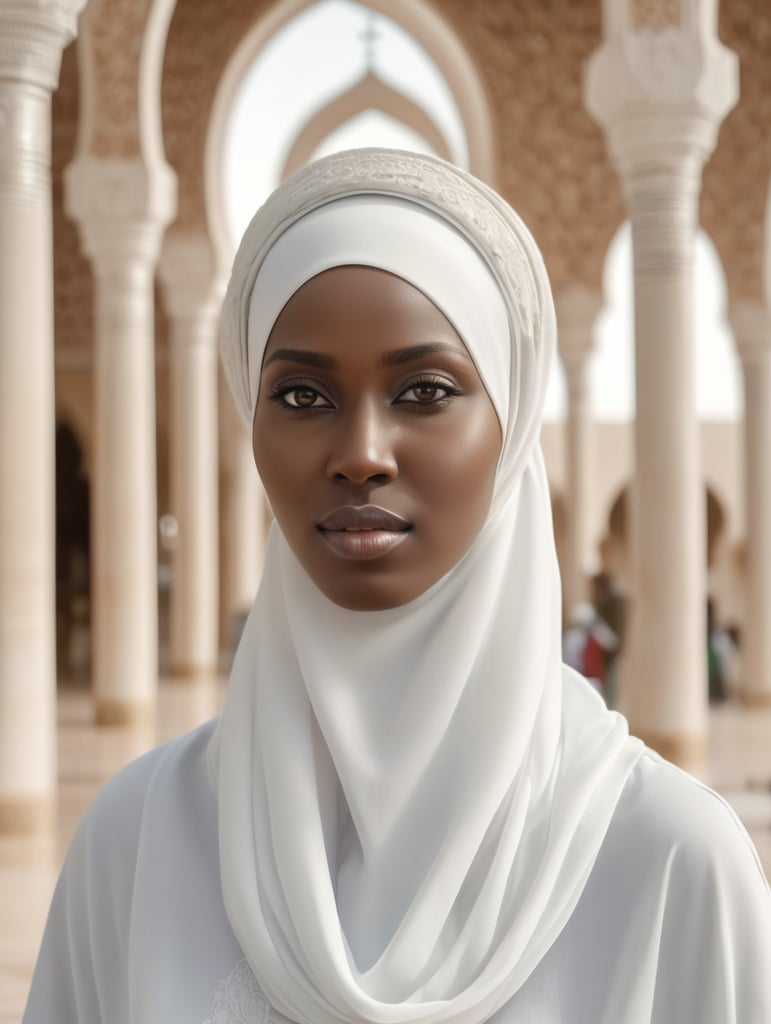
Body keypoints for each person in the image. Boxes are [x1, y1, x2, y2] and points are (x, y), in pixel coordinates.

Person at [24, 149, 770, 1023]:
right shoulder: (140, 842)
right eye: (301, 397)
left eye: (424, 389)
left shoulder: (666, 862)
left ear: (513, 426)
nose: (360, 454)